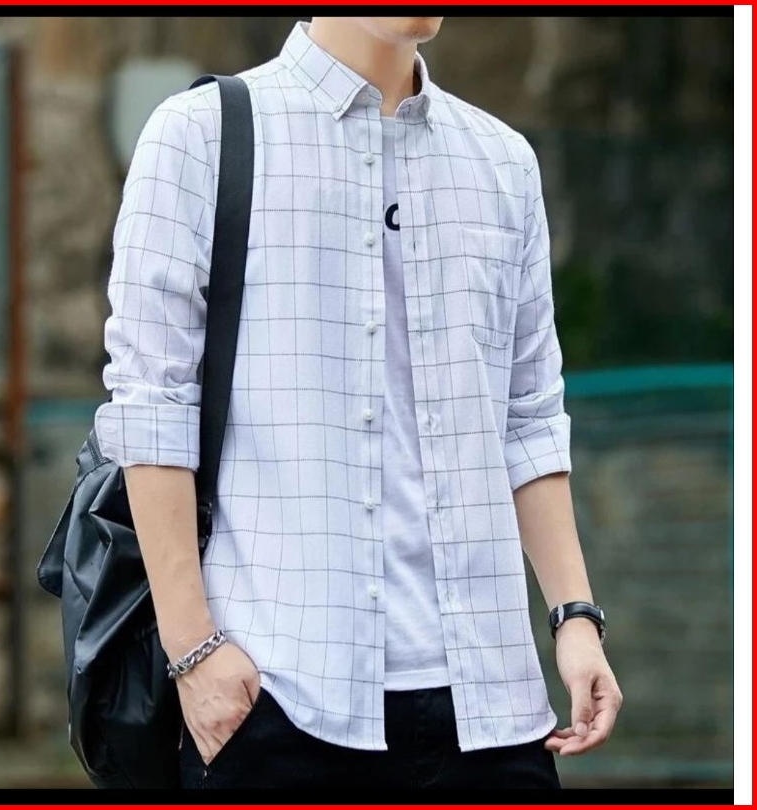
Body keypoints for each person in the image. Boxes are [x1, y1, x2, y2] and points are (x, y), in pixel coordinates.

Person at [94, 16, 623, 789]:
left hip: (492, 709)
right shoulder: (200, 135)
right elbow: (151, 403)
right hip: (277, 698)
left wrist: (575, 619)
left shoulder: (503, 161)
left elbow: (529, 414)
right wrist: (194, 653)